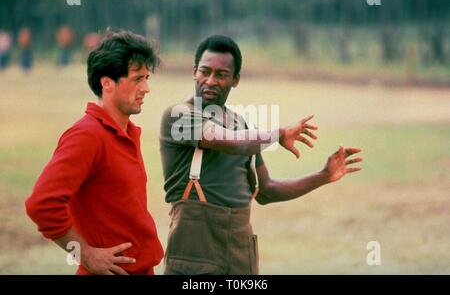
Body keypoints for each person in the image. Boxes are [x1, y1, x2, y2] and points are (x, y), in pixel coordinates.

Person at [159, 35, 363, 275]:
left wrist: (323, 176)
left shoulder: (241, 124)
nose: (210, 81)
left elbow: (266, 191)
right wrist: (278, 134)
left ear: (235, 80)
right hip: (195, 251)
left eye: (221, 75)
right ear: (194, 72)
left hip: (239, 251)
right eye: (205, 72)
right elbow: (232, 144)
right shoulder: (179, 115)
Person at [25, 30, 164, 275]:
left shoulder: (127, 132)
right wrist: (85, 254)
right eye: (137, 79)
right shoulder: (87, 136)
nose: (146, 88)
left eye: (147, 78)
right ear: (107, 82)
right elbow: (41, 204)